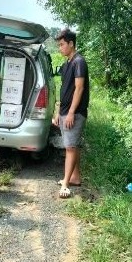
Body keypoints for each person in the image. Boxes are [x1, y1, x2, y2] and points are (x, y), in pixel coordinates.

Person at [52, 28, 90, 199]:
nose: (60, 48)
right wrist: (58, 112)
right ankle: (75, 177)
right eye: (59, 45)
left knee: (70, 147)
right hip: (65, 111)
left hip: (74, 113)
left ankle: (66, 184)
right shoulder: (67, 63)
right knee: (72, 145)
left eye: (62, 44)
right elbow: (64, 90)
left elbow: (79, 88)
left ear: (71, 43)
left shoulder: (79, 62)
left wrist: (71, 113)